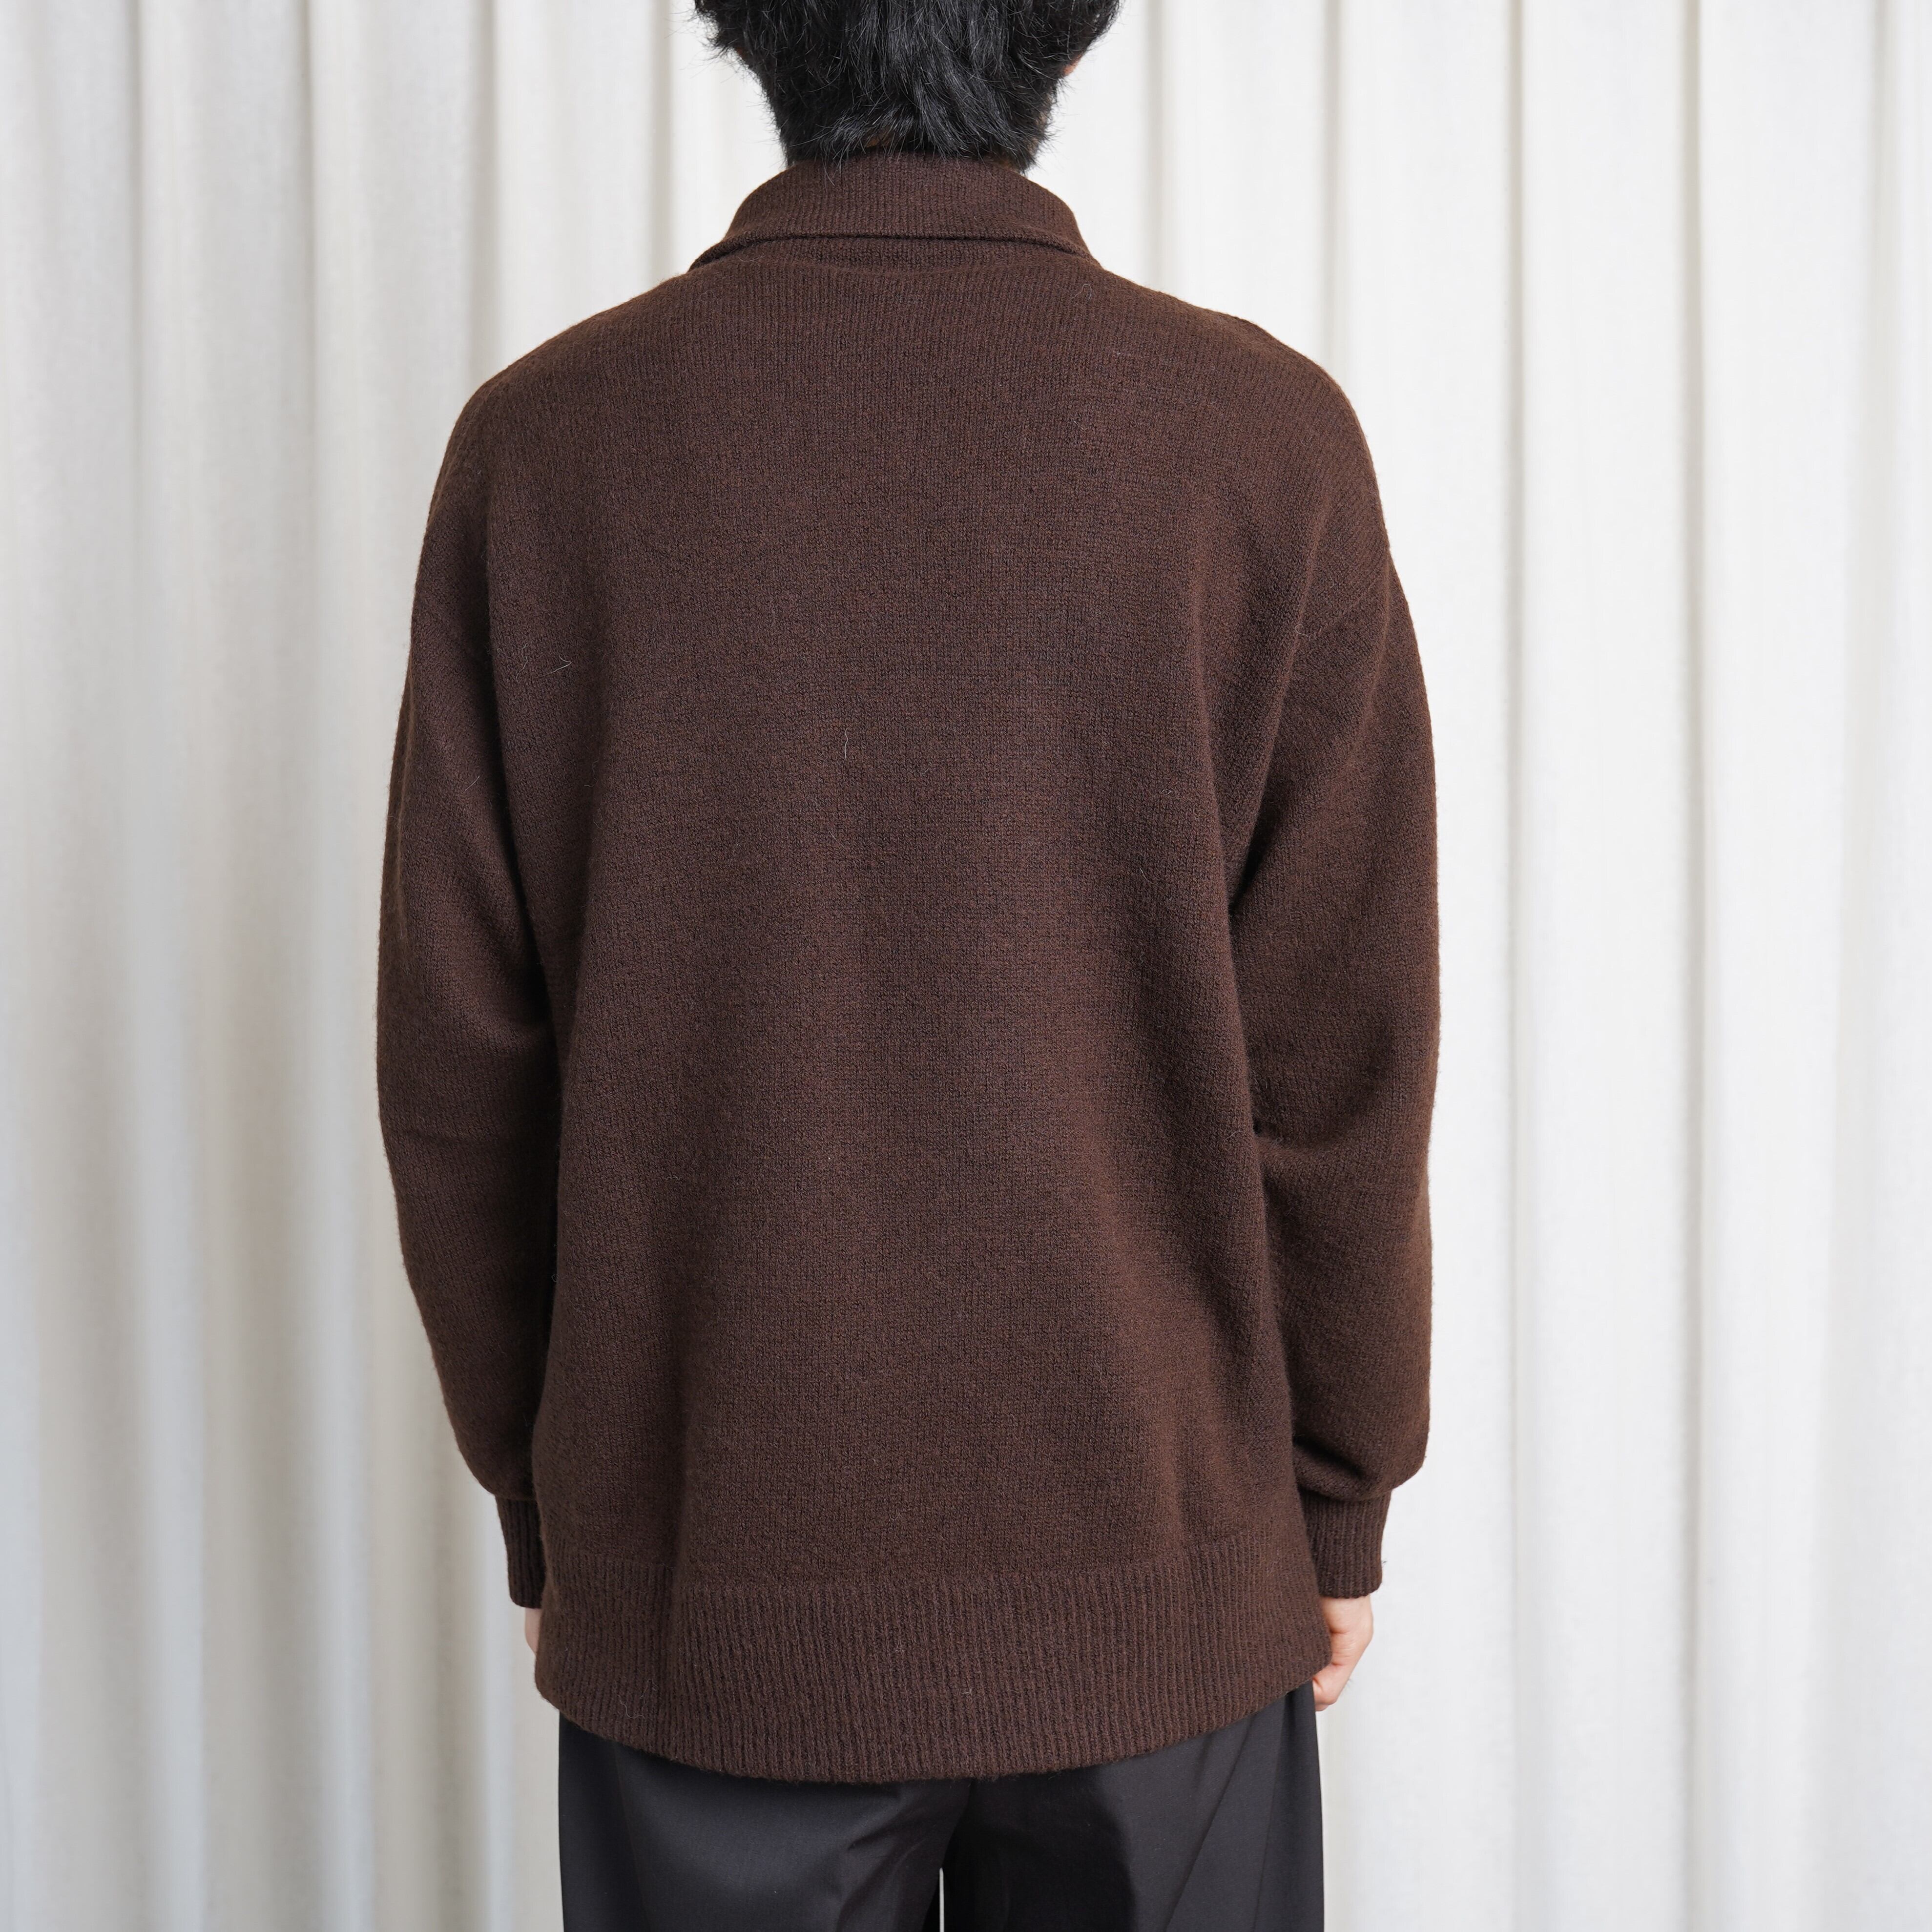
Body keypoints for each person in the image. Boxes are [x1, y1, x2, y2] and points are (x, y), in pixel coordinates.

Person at [376, 0, 1438, 1924]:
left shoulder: (545, 451)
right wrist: (1336, 1495)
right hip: (1163, 1585)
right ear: (1069, 32)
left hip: (715, 1591)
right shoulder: (1259, 443)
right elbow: (1342, 1061)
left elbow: (464, 1071)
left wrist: (567, 1514)